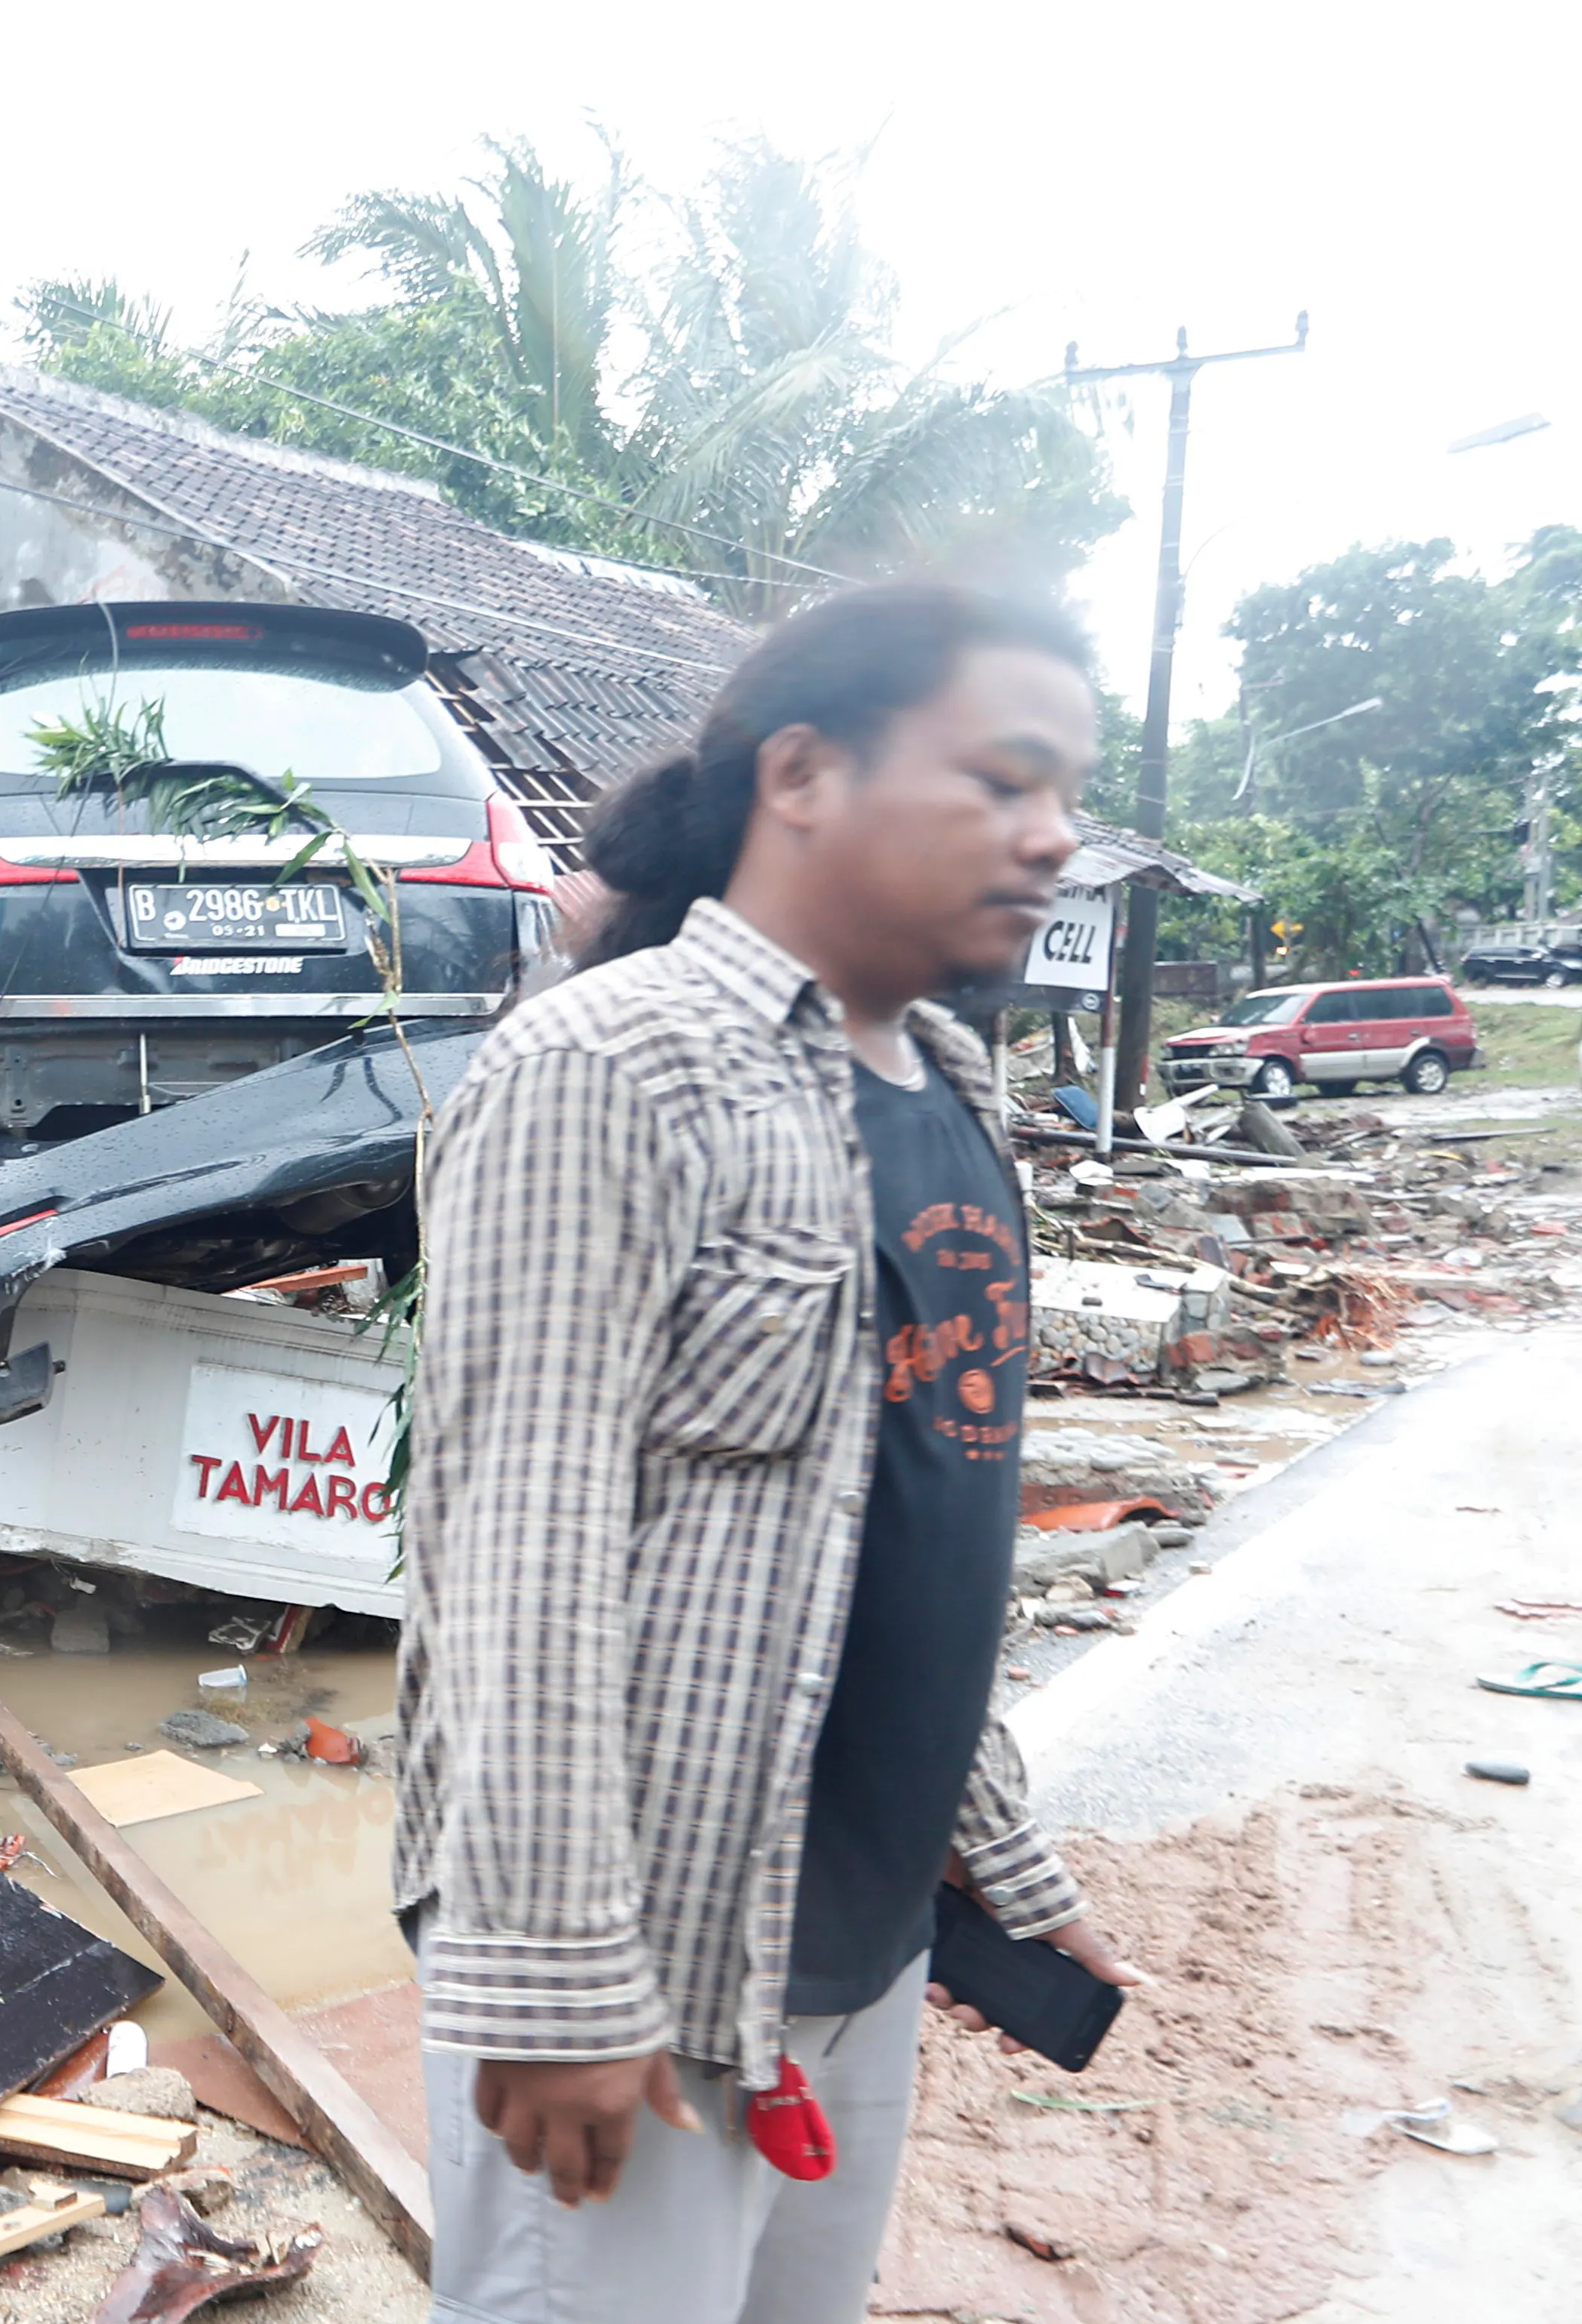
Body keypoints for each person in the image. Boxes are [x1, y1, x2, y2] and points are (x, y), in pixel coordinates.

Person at [393, 580, 1148, 2322]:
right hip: (639, 1964)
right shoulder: (606, 1071)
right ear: (803, 773)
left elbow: (918, 1521)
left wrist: (1004, 1866)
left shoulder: (949, 1088)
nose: (1053, 837)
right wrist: (553, 1978)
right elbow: (515, 1559)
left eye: (1065, 791)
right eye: (1004, 780)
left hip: (850, 1947)